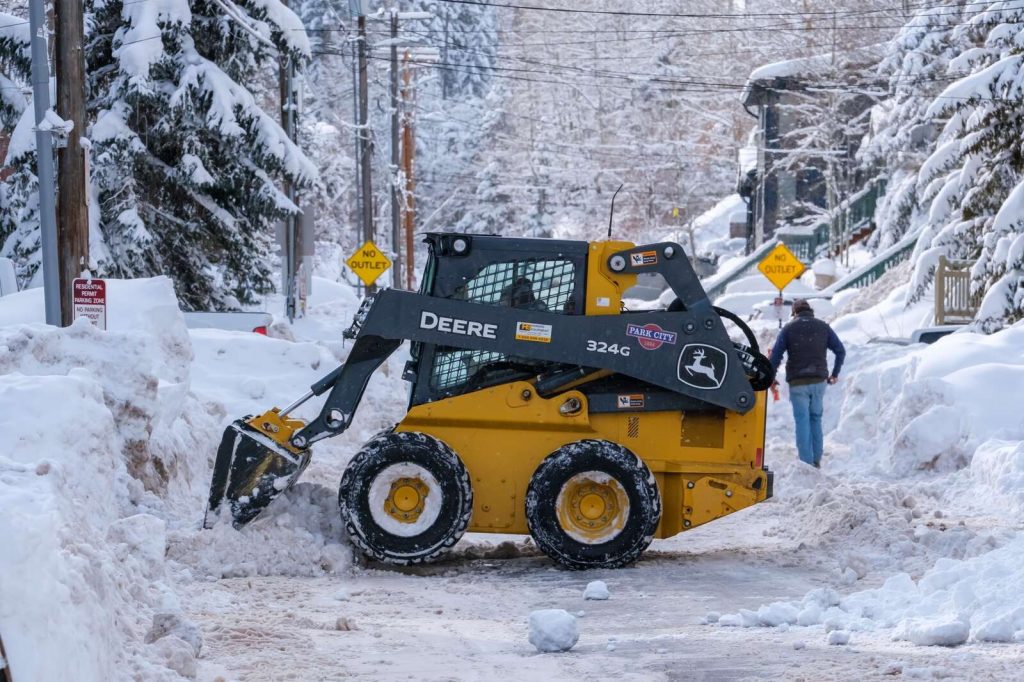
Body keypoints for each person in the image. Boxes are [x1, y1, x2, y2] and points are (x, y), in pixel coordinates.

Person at [769, 299, 846, 468]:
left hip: (798, 382)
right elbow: (840, 350)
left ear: (794, 313)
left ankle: (806, 463)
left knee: (802, 420)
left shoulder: (789, 328)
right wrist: (834, 374)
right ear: (810, 311)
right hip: (819, 380)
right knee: (815, 419)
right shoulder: (823, 327)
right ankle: (816, 459)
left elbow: (775, 356)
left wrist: (771, 378)